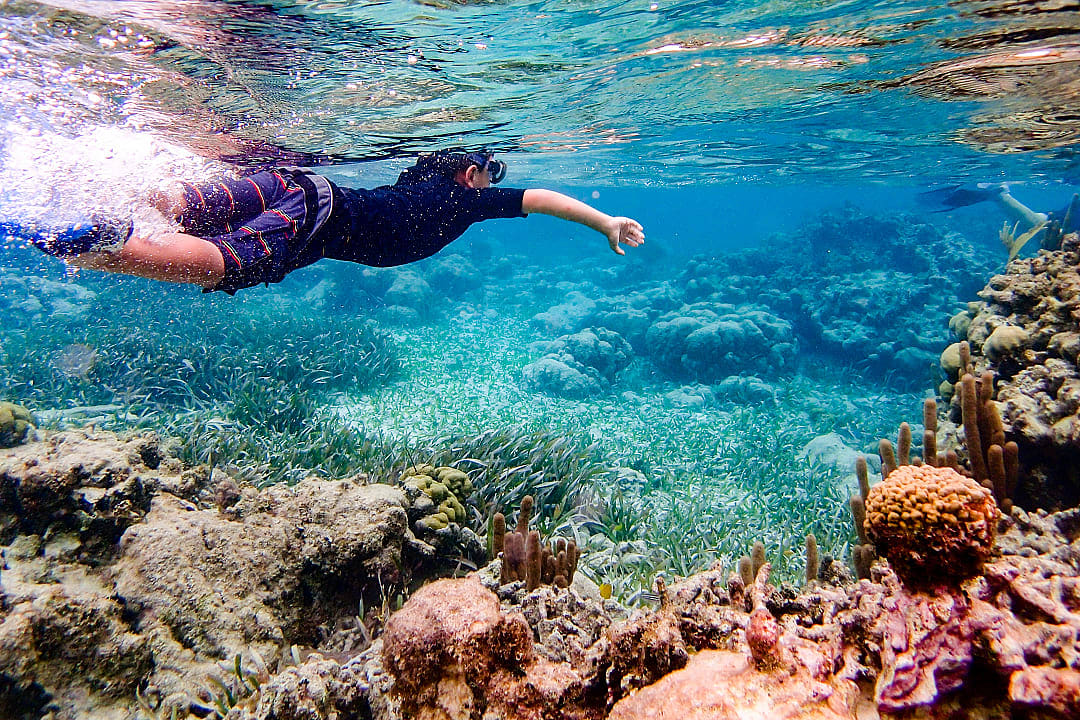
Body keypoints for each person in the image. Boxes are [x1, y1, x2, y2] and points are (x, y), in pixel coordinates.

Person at [14, 150, 645, 294]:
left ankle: (97, 187)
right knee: (227, 263)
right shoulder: (464, 200)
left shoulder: (414, 188)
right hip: (318, 214)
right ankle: (111, 249)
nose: (493, 184)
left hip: (303, 186)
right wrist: (605, 222)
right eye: (489, 171)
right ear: (468, 172)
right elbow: (544, 199)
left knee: (192, 206)